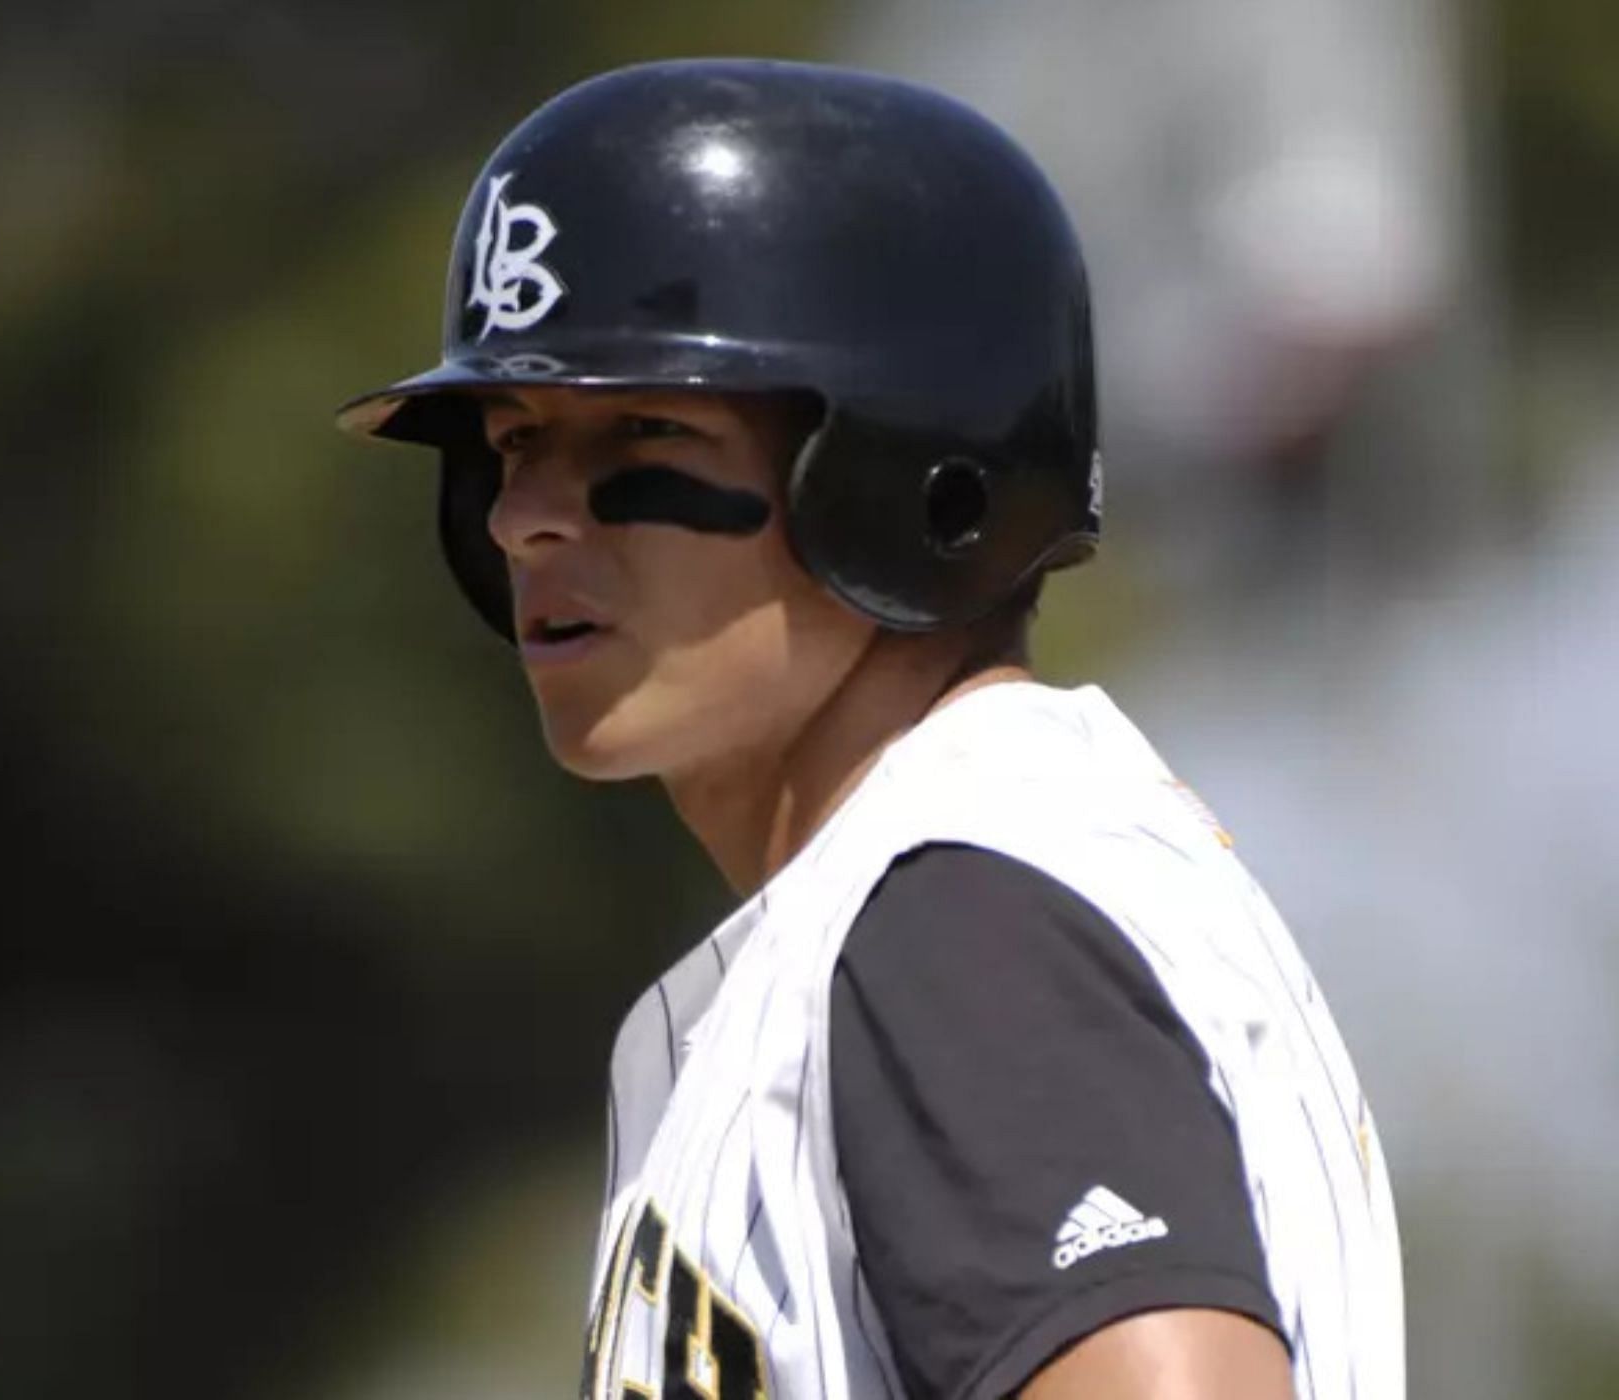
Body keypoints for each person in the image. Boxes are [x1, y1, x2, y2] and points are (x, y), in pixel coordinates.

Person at [338, 58, 1403, 1400]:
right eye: (511, 439)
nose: (522, 515)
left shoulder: (961, 915)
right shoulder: (963, 885)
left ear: (916, 485)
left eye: (640, 434)